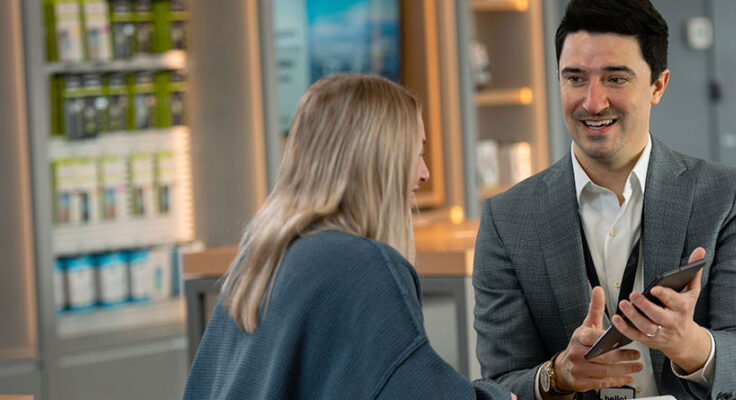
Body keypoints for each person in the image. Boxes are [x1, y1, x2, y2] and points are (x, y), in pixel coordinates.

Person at [472, 1, 736, 399]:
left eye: (615, 79)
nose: (592, 102)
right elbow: (498, 383)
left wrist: (687, 344)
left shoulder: (729, 199)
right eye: (575, 79)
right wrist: (558, 375)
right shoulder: (508, 218)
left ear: (658, 86)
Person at [183, 74, 514, 399]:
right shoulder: (361, 265)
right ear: (377, 163)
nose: (424, 172)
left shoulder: (261, 255)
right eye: (415, 153)